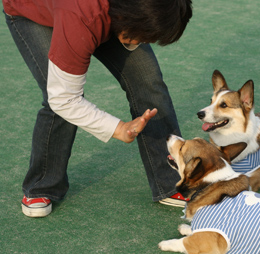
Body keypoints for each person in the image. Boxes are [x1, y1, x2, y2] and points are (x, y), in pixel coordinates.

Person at [3, 0, 193, 217]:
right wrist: (119, 128)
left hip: (111, 13)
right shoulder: (82, 15)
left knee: (148, 82)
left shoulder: (130, 14)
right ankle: (41, 185)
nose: (141, 42)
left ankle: (171, 182)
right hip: (32, 12)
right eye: (142, 35)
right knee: (58, 101)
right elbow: (64, 99)